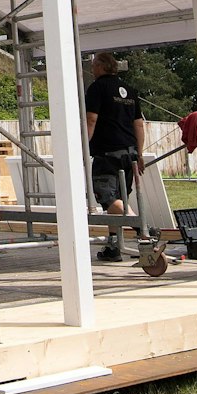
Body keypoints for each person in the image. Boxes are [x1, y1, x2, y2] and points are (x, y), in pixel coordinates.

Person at [84, 51, 144, 261]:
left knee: (108, 198)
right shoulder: (129, 90)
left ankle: (142, 229)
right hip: (129, 153)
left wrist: (83, 148)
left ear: (101, 67)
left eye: (93, 66)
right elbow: (138, 124)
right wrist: (140, 153)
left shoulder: (97, 88)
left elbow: (91, 119)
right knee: (118, 201)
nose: (92, 70)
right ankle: (113, 247)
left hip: (107, 153)